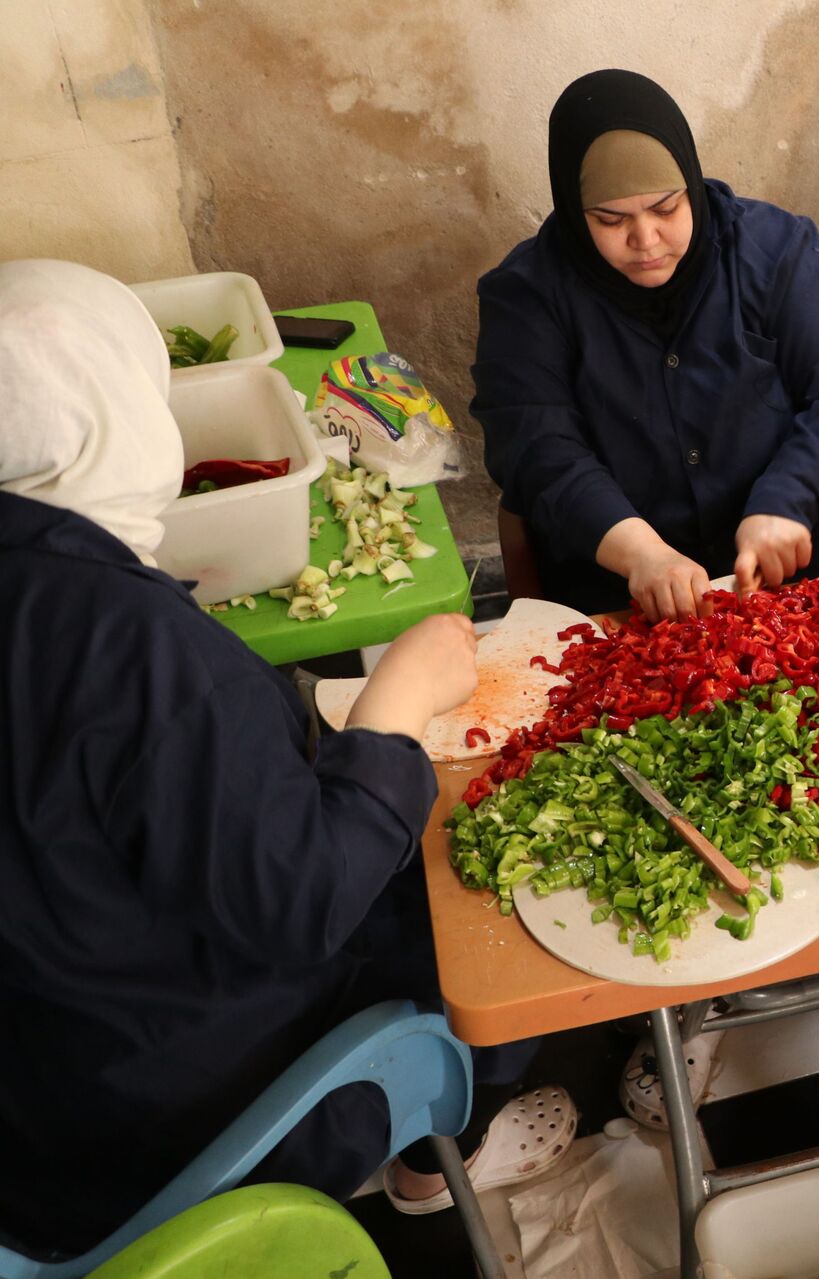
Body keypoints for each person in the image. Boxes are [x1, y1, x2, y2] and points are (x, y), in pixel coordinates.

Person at [0, 260, 569, 1256]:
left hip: (45, 1098)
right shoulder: (123, 645)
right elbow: (300, 899)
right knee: (491, 884)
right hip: (182, 1123)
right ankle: (433, 1158)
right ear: (112, 413)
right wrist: (390, 709)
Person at [473, 69, 819, 620]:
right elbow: (537, 449)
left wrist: (790, 499)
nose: (645, 240)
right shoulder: (528, 295)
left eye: (667, 208)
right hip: (633, 602)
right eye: (610, 220)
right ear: (575, 216)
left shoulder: (775, 252)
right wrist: (641, 552)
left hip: (818, 579)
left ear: (692, 185)